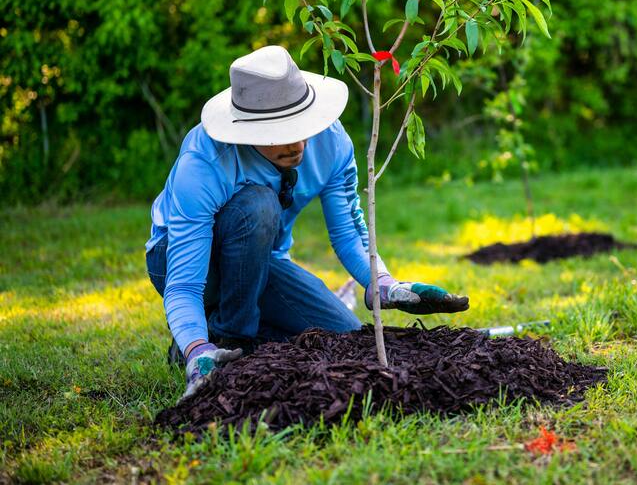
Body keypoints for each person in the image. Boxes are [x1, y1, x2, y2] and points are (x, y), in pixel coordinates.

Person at [145, 45, 469, 400]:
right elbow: (184, 284)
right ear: (247, 130)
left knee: (343, 336)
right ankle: (221, 340)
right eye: (278, 131)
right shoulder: (205, 163)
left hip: (262, 263)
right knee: (258, 204)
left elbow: (349, 231)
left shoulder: (331, 142)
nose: (298, 142)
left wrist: (383, 284)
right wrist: (196, 349)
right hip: (183, 262)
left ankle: (225, 334)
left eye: (302, 125)